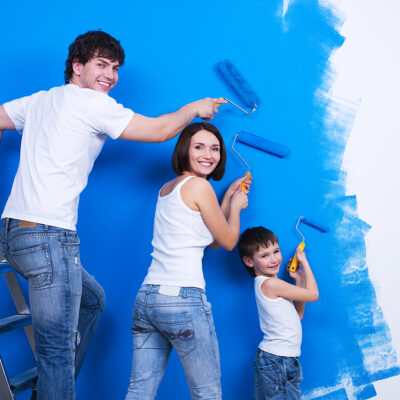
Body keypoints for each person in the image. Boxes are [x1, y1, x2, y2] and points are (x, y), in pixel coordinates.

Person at [0, 30, 226, 400]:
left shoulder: (41, 101)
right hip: (50, 238)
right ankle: (54, 389)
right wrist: (194, 109)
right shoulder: (93, 103)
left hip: (12, 234)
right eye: (101, 64)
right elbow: (159, 130)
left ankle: (50, 391)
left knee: (93, 300)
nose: (110, 75)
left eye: (115, 68)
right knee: (56, 353)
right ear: (77, 66)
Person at [125, 122, 250, 399]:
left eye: (215, 148)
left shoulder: (169, 188)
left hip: (148, 298)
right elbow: (229, 242)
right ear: (185, 149)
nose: (208, 154)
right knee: (207, 392)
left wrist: (229, 198)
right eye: (199, 147)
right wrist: (238, 208)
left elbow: (212, 239)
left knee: (139, 391)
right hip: (182, 299)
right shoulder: (199, 186)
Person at [237, 227, 319, 400]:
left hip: (277, 359)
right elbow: (313, 294)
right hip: (278, 360)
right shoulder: (270, 285)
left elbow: (298, 315)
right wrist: (304, 262)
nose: (274, 259)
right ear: (249, 261)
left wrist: (299, 279)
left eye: (276, 251)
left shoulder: (272, 284)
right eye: (264, 255)